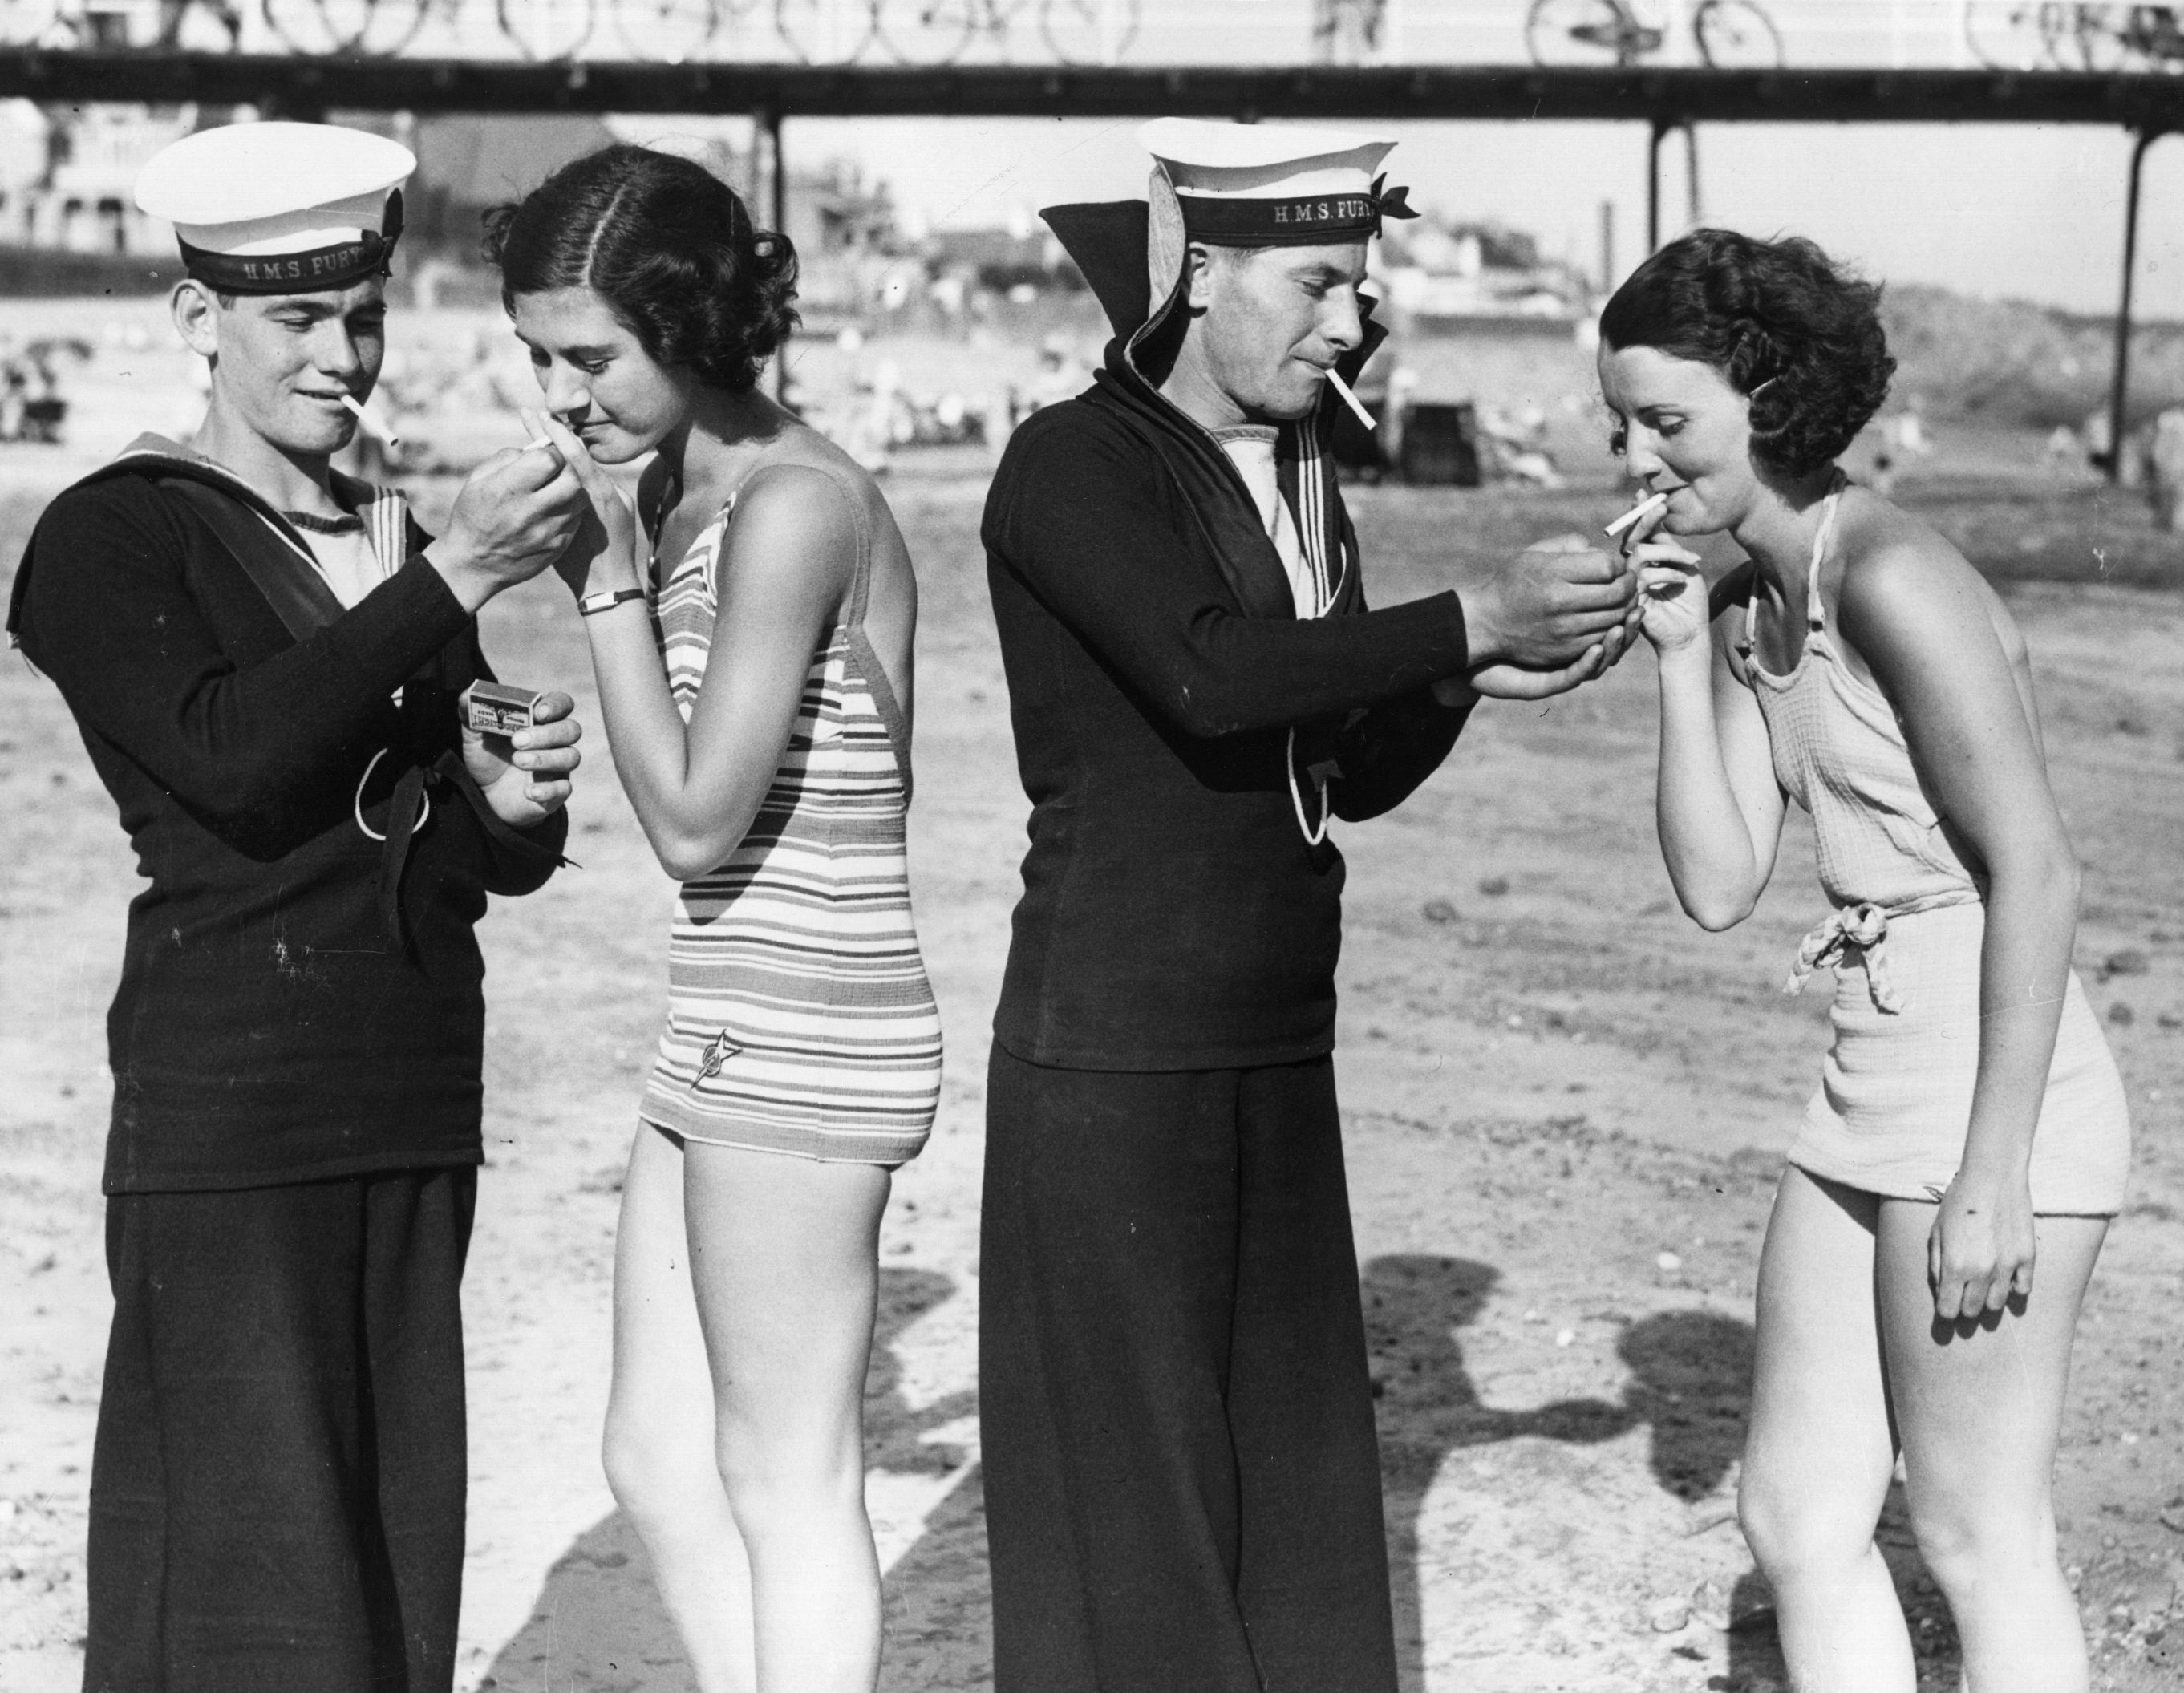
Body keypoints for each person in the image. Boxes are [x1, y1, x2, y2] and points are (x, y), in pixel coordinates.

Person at [976, 117, 1640, 1692]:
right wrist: (1465, 613)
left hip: (1271, 1039)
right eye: (1320, 284)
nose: (1354, 323)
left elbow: (1340, 770)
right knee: (1143, 1513)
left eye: (1361, 288)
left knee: (1292, 1495)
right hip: (1117, 1053)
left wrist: (1480, 669)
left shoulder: (1297, 481)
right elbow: (1212, 681)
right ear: (1196, 275)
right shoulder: (1071, 461)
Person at [6, 121, 590, 1692]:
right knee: (252, 1584)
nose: (348, 355)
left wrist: (514, 811)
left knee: (390, 1565)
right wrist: (452, 583)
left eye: (369, 312)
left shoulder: (391, 525)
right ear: (199, 322)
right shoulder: (110, 531)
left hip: (408, 1091)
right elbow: (241, 768)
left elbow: (438, 849)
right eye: (300, 320)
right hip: (234, 1116)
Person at [1610, 229, 2131, 1693]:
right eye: (1624, 425)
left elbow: (2038, 867)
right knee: (1797, 1512)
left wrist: (1994, 1172)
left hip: (1991, 1081)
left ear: (1767, 396)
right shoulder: (1743, 602)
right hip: (1868, 1068)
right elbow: (1720, 887)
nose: (1637, 460)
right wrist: (1669, 657)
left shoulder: (1893, 575)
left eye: (1665, 422)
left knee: (1977, 1536)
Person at [482, 144, 942, 1693]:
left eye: (594, 357)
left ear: (692, 327)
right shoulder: (693, 494)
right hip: (727, 1022)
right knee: (654, 1455)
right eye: (539, 358)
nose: (565, 396)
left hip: (812, 1025)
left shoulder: (798, 505)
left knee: (782, 1475)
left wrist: (602, 592)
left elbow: (693, 819)